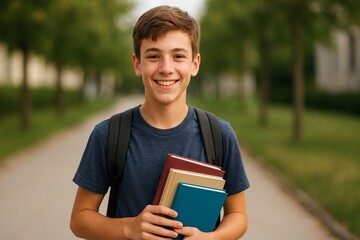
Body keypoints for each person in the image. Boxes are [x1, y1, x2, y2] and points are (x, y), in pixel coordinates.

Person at [70, 5, 249, 240]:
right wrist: (129, 228)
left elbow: (238, 215)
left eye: (178, 56)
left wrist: (211, 238)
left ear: (194, 64)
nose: (166, 68)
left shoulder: (219, 134)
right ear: (137, 64)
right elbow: (80, 219)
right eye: (153, 56)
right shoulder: (108, 135)